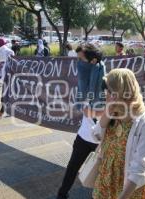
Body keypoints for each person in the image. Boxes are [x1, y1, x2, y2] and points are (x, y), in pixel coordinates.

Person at [91, 68, 145, 199]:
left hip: (128, 188)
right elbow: (95, 136)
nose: (105, 93)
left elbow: (139, 168)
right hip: (106, 178)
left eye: (108, 90)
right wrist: (107, 112)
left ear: (120, 92)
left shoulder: (144, 122)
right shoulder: (113, 111)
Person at [57, 43, 106, 199]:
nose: (78, 63)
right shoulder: (84, 84)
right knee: (72, 169)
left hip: (102, 141)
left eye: (81, 59)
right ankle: (62, 195)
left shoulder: (107, 81)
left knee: (101, 175)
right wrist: (90, 108)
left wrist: (90, 110)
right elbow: (85, 107)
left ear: (92, 61)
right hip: (83, 138)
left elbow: (110, 110)